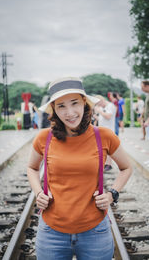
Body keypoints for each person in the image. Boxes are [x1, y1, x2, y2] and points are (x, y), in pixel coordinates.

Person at [27, 77, 132, 260]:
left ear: (85, 103)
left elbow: (126, 167)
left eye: (74, 103)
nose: (70, 113)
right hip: (51, 233)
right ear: (54, 109)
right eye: (61, 106)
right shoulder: (44, 137)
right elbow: (31, 167)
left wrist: (112, 194)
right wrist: (38, 192)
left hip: (95, 232)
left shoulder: (104, 136)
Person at [94, 95, 116, 171]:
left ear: (101, 100)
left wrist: (99, 111)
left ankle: (109, 164)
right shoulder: (102, 107)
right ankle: (105, 164)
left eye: (99, 103)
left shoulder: (110, 106)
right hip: (102, 130)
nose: (98, 105)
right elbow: (101, 118)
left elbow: (108, 116)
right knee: (103, 148)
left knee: (109, 149)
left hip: (109, 130)